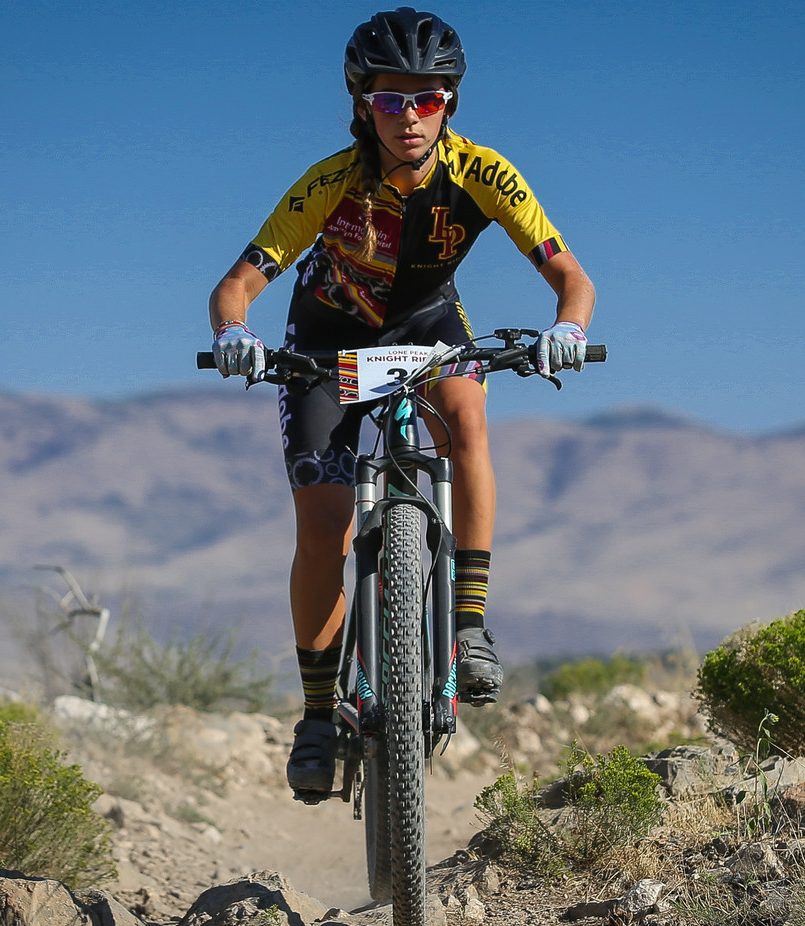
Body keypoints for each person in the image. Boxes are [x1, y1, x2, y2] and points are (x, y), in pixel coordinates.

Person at [206, 7, 595, 796]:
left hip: (426, 328)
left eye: (426, 98)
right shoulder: (329, 182)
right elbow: (235, 286)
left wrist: (568, 327)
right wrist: (235, 334)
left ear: (450, 103)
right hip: (328, 343)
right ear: (362, 104)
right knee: (323, 525)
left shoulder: (484, 173)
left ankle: (470, 627)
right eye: (390, 99)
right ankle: (319, 715)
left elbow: (570, 277)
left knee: (469, 417)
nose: (408, 116)